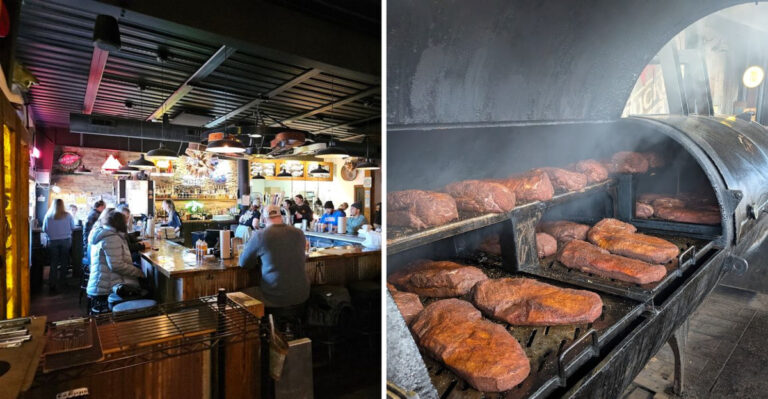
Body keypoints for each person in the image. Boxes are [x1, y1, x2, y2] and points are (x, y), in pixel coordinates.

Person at [239, 205, 310, 308]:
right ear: (281, 216)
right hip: (302, 294)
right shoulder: (299, 233)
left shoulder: (260, 235)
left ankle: (264, 323)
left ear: (263, 219)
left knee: (239, 295)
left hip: (275, 297)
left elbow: (243, 263)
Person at [87, 209, 145, 300]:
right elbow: (117, 266)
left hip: (101, 283)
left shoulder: (103, 233)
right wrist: (139, 272)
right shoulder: (112, 238)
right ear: (121, 223)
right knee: (145, 286)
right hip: (107, 287)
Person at [43, 199, 76, 293]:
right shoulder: (68, 215)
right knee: (64, 261)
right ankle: (63, 282)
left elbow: (44, 229)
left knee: (53, 262)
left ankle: (52, 284)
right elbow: (73, 227)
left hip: (52, 241)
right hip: (65, 240)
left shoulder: (48, 216)